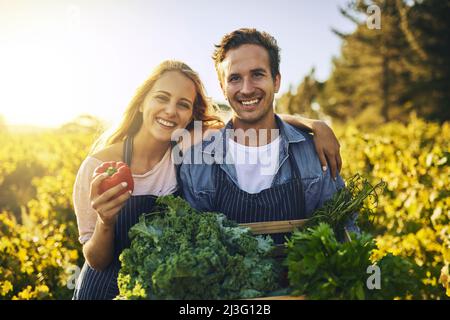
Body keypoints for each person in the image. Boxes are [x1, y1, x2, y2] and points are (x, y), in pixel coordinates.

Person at [72, 60, 342, 300]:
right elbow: (95, 260)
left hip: (159, 285)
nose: (170, 111)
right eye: (161, 98)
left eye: (183, 105)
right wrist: (106, 222)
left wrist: (315, 125)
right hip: (106, 286)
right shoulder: (97, 167)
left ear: (191, 115)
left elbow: (254, 118)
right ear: (142, 102)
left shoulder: (192, 145)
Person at [180, 28, 355, 244]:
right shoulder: (197, 163)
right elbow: (190, 247)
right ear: (223, 88)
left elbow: (346, 234)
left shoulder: (315, 154)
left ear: (276, 81)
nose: (246, 89)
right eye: (235, 78)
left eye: (257, 74)